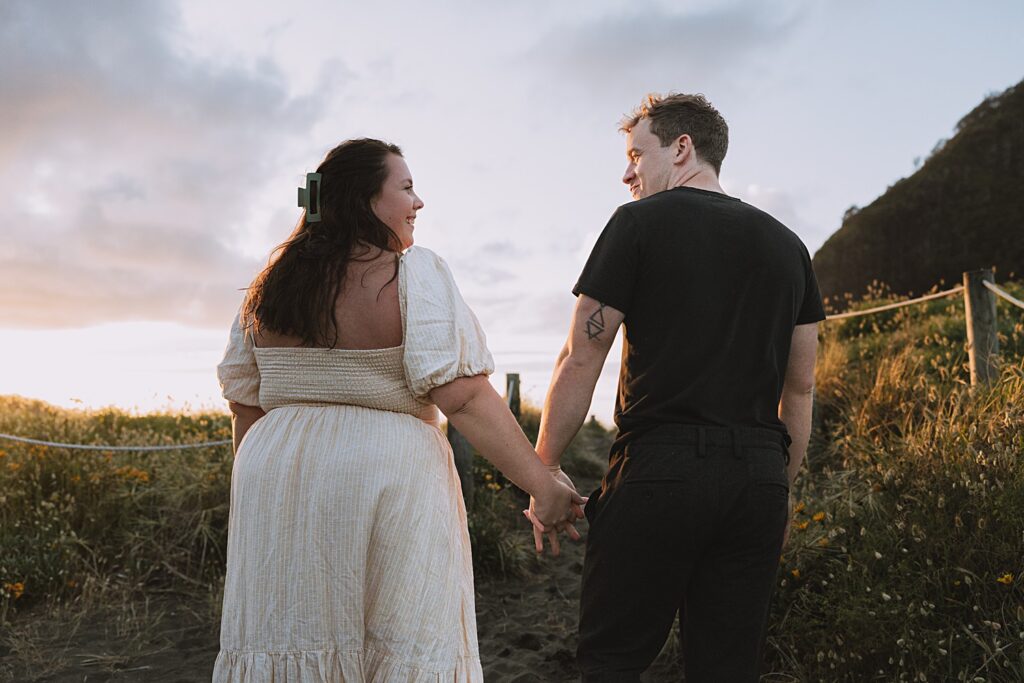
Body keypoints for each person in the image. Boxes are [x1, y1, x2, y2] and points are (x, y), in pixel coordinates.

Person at [212, 138, 583, 682]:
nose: (418, 202)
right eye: (406, 188)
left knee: (291, 631)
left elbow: (245, 403)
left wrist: (259, 491)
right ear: (366, 199)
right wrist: (543, 486)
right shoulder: (413, 276)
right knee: (397, 639)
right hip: (384, 479)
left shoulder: (270, 288)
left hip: (275, 479)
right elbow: (463, 397)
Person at [529, 94, 825, 681]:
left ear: (682, 147)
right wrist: (778, 490)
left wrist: (544, 473)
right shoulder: (790, 247)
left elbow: (582, 356)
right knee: (727, 669)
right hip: (758, 480)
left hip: (659, 472)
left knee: (612, 663)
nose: (627, 173)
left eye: (637, 154)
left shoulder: (636, 223)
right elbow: (800, 392)